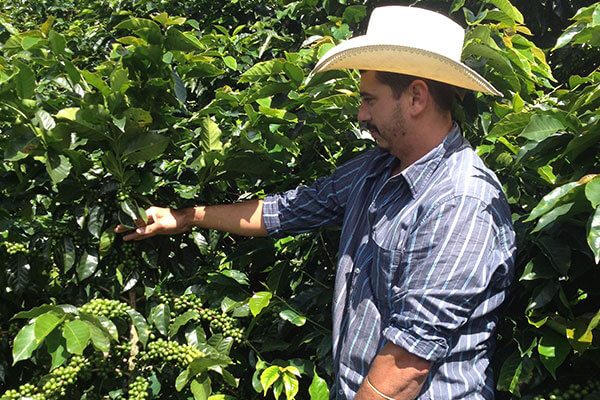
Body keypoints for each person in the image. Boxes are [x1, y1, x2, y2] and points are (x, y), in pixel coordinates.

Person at [116, 6, 515, 400]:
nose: (360, 115)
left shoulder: (461, 202)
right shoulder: (375, 170)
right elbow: (285, 211)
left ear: (415, 97)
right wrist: (187, 217)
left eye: (369, 99)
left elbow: (408, 361)